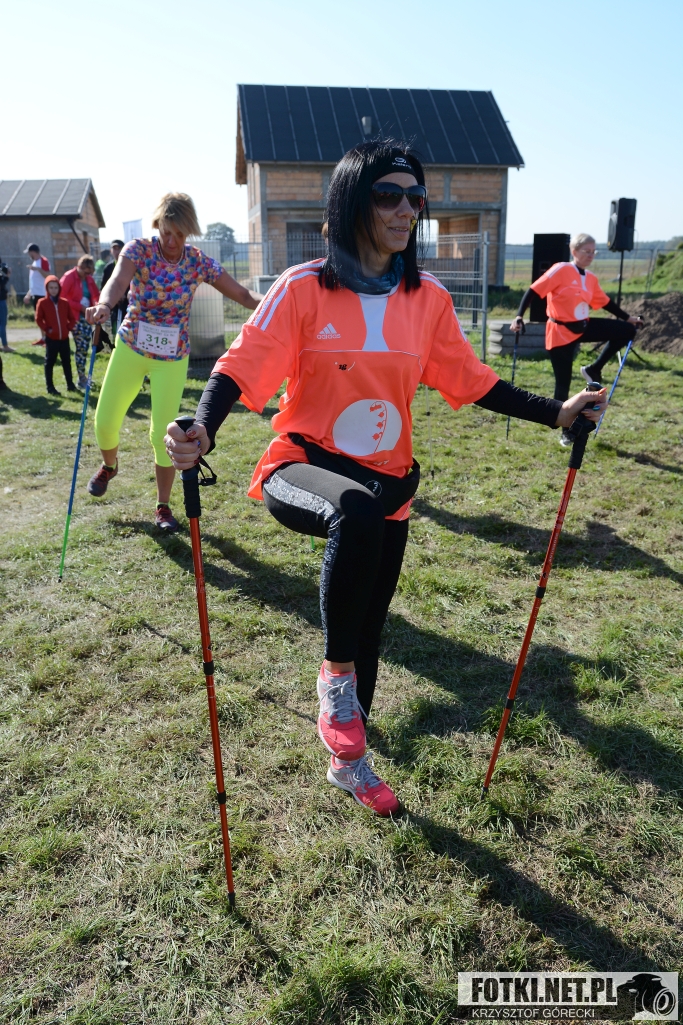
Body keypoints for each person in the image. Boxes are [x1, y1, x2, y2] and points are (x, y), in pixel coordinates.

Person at [165, 141, 607, 818]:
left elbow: (471, 380)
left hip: (388, 483)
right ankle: (335, 683)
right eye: (387, 195)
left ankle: (349, 759)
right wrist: (202, 429)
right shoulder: (303, 288)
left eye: (414, 197)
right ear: (353, 201)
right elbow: (240, 366)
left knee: (368, 623)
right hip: (302, 465)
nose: (406, 209)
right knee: (356, 516)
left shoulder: (426, 298)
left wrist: (557, 411)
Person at [85, 192, 263, 532]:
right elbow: (117, 281)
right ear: (158, 225)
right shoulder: (138, 250)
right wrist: (105, 305)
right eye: (167, 232)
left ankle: (163, 506)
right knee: (104, 422)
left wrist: (277, 301)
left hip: (172, 357)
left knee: (163, 435)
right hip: (131, 347)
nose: (171, 241)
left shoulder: (197, 261)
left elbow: (242, 294)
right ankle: (109, 466)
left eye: (180, 234)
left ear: (189, 232)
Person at [510, 233, 642, 446]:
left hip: (583, 327)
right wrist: (519, 316)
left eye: (593, 252)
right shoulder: (561, 269)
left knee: (627, 330)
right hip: (560, 332)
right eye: (586, 251)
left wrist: (628, 318)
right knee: (563, 385)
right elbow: (534, 290)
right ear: (574, 251)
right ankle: (565, 431)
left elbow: (605, 302)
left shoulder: (590, 278)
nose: (590, 255)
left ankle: (594, 369)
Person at [60, 255, 100, 389]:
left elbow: (96, 295)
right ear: (79, 267)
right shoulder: (69, 277)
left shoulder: (88, 279)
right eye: (86, 272)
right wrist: (80, 307)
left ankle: (83, 376)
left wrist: (97, 305)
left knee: (85, 346)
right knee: (81, 346)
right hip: (75, 317)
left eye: (90, 273)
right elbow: (62, 298)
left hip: (87, 317)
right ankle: (81, 377)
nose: (88, 276)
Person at [35, 276, 78, 395]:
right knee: (50, 362)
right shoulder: (42, 303)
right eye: (51, 288)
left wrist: (68, 328)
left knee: (66, 361)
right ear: (47, 289)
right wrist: (47, 329)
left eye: (56, 287)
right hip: (52, 339)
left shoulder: (64, 302)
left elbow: (72, 319)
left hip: (64, 338)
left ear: (59, 288)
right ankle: (50, 387)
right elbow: (38, 319)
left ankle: (70, 384)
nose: (53, 290)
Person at [24, 243, 51, 344]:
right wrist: (28, 294)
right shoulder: (35, 262)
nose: (29, 255)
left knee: (46, 318)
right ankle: (43, 338)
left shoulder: (43, 261)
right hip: (35, 294)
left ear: (33, 252)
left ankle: (49, 338)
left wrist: (38, 269)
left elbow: (48, 275)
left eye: (29, 253)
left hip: (43, 294)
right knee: (39, 318)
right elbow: (34, 282)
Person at [100, 239, 127, 338]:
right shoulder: (108, 268)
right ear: (111, 251)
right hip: (114, 305)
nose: (117, 251)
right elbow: (104, 287)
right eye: (114, 249)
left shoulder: (129, 266)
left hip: (129, 305)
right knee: (116, 330)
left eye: (119, 248)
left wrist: (125, 294)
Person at [0, 257, 11, 352]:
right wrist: (7, 276)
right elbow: (1, 284)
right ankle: (5, 346)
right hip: (1, 301)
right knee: (2, 324)